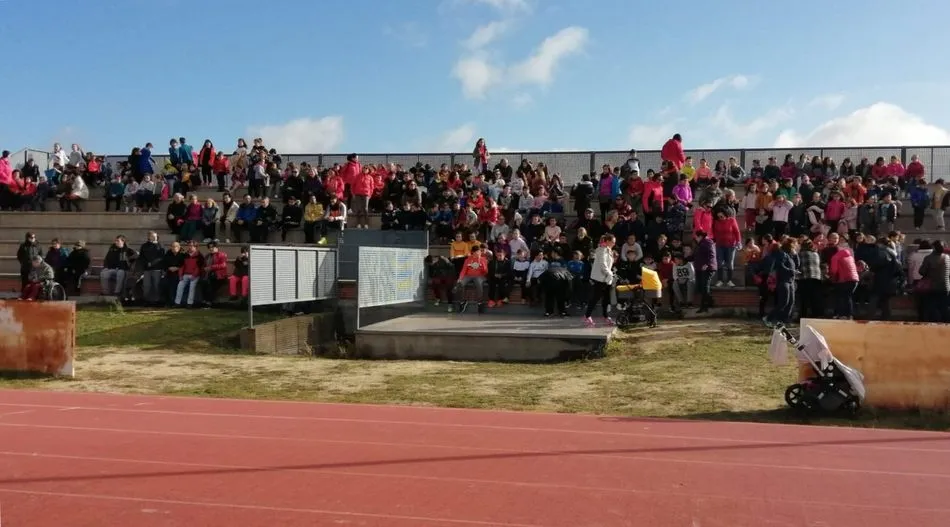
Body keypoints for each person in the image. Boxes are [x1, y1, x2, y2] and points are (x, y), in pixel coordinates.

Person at [584, 234, 616, 327]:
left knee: (606, 298)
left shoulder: (609, 249)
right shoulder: (601, 250)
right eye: (613, 241)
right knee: (596, 297)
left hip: (606, 278)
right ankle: (587, 315)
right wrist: (609, 273)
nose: (614, 243)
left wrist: (610, 274)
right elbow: (603, 264)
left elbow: (609, 264)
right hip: (600, 278)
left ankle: (605, 316)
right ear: (607, 241)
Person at [764, 239, 798, 327]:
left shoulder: (790, 256)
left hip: (790, 281)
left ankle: (784, 320)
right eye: (795, 245)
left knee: (791, 302)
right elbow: (780, 266)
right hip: (784, 281)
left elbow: (797, 265)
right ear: (791, 246)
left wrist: (796, 255)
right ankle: (768, 318)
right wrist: (791, 271)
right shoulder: (782, 254)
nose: (796, 247)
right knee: (784, 302)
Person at [453, 245, 488, 313]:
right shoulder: (468, 260)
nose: (478, 253)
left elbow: (486, 272)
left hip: (480, 276)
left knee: (478, 283)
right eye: (476, 252)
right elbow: (463, 270)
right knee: (461, 283)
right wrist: (460, 278)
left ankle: (480, 302)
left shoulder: (483, 259)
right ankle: (462, 302)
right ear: (473, 252)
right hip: (468, 275)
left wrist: (482, 265)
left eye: (479, 251)